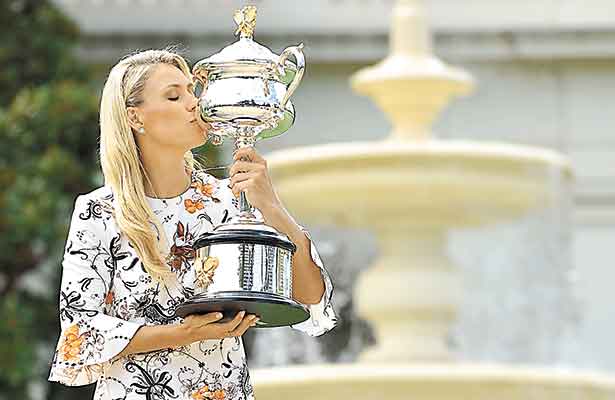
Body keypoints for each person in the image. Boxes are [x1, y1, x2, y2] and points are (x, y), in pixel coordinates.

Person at [48, 49, 337, 400]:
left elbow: (310, 295)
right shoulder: (98, 212)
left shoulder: (229, 201)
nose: (193, 103)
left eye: (190, 91)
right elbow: (81, 330)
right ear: (135, 117)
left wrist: (271, 205)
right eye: (174, 95)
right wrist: (186, 333)